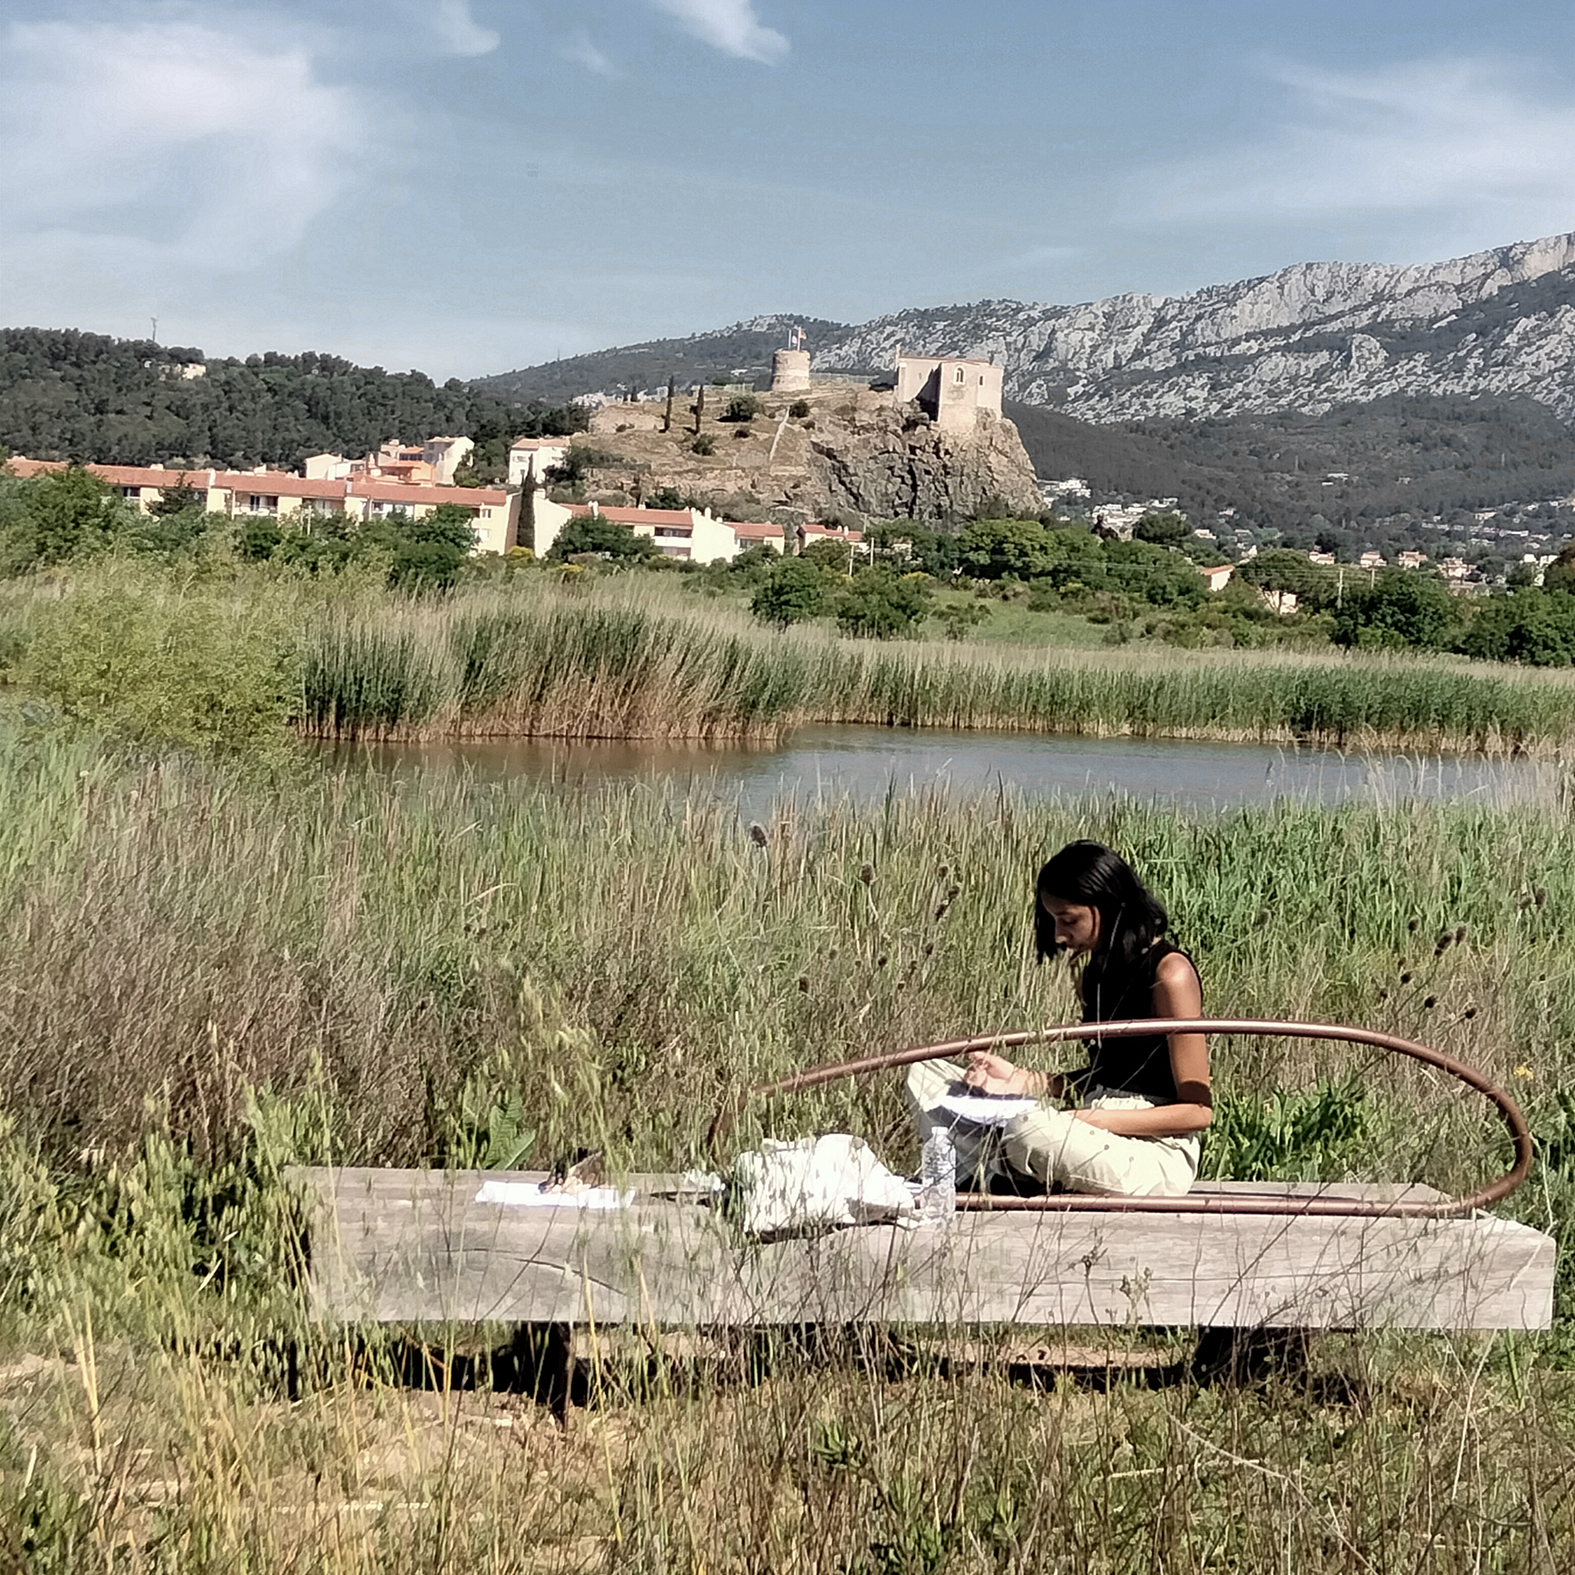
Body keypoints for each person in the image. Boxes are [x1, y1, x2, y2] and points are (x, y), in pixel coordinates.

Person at [906, 840, 1211, 1196]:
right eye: (1053, 920)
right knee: (926, 1073)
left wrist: (1088, 1120)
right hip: (1088, 1127)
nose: (1059, 935)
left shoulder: (1169, 973)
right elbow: (1107, 1078)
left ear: (1109, 905)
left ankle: (992, 1170)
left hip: (1153, 1152)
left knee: (1028, 1128)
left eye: (1069, 920)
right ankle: (996, 1171)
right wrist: (1022, 1079)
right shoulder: (1092, 975)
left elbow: (1197, 1112)